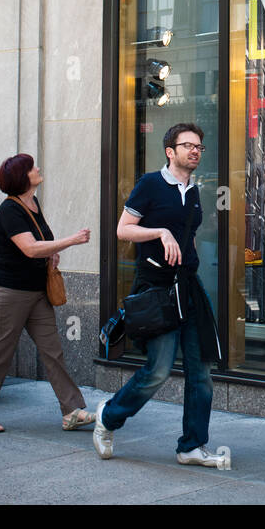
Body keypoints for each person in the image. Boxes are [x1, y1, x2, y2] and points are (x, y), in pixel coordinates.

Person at [95, 124, 225, 467]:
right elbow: (123, 229)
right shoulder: (151, 184)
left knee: (201, 372)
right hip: (156, 288)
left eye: (199, 146)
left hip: (188, 287)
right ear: (171, 151)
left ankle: (191, 446)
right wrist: (160, 231)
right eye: (188, 146)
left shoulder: (194, 190)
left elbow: (190, 235)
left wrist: (188, 253)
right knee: (158, 370)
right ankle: (108, 417)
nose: (195, 151)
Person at [0, 154, 93, 433]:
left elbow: (41, 244)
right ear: (24, 177)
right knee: (1, 352)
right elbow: (30, 247)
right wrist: (71, 241)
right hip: (9, 291)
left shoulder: (32, 203)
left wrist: (52, 255)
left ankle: (72, 410)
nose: (38, 168)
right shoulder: (9, 210)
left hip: (36, 291)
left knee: (53, 351)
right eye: (32, 167)